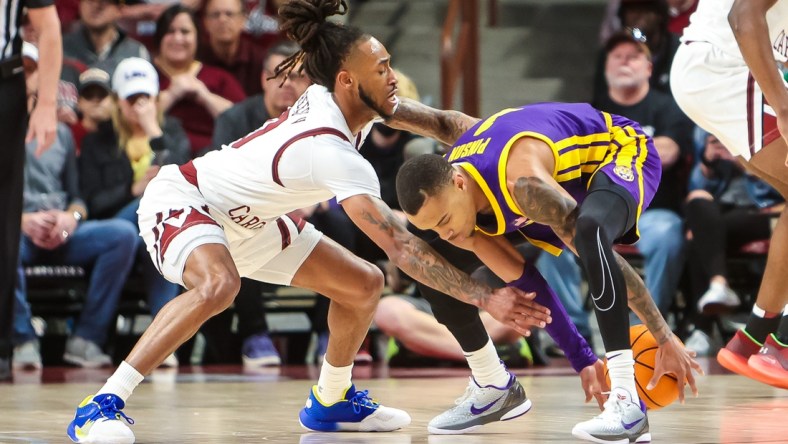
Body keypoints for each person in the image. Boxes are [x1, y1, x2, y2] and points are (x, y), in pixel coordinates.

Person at [65, 2, 550, 443]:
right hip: (188, 198)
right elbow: (404, 248)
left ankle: (331, 399)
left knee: (363, 284)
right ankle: (101, 405)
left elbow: (447, 124)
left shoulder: (353, 99)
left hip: (254, 220)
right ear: (345, 80)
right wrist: (486, 297)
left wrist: (518, 145)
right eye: (382, 70)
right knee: (220, 285)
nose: (392, 77)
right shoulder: (332, 151)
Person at [392, 102, 702, 442]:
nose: (446, 232)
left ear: (460, 183)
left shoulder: (523, 184)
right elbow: (526, 283)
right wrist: (582, 359)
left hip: (619, 151)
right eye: (433, 226)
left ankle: (627, 402)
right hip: (559, 184)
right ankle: (492, 384)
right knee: (436, 262)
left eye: (444, 221)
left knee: (591, 232)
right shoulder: (458, 208)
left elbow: (603, 258)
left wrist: (663, 336)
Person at [670, 0, 788, 388]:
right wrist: (783, 106)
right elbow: (744, 15)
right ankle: (782, 344)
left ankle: (752, 339)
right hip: (724, 67)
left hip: (720, 72)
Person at [14, 50, 138, 369]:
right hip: (17, 235)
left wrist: (72, 217)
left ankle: (86, 339)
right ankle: (22, 339)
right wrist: (21, 220)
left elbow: (77, 196)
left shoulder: (63, 135)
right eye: (24, 74)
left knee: (122, 235)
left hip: (62, 232)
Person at [78, 58, 190, 367]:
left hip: (157, 232)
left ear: (156, 100)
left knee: (163, 232)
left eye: (146, 99)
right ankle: (164, 341)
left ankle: (162, 341)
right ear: (116, 102)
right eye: (131, 99)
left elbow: (186, 181)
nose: (139, 106)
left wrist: (154, 130)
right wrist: (132, 189)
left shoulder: (172, 132)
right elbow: (92, 202)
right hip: (115, 229)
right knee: (155, 217)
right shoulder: (97, 142)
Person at [207, 39, 310, 368]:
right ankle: (255, 334)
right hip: (245, 212)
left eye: (296, 76)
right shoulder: (235, 119)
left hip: (304, 211)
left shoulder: (313, 123)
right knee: (245, 231)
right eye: (278, 75)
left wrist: (312, 201)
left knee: (341, 221)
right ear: (263, 78)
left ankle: (327, 333)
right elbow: (216, 179)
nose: (287, 84)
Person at [595, 30, 695, 318]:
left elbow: (668, 153)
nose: (625, 62)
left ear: (649, 67)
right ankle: (574, 334)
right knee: (554, 241)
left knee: (668, 237)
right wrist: (640, 151)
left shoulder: (668, 108)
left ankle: (644, 327)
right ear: (606, 67)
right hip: (597, 213)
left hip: (653, 213)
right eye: (618, 56)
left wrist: (606, 155)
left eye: (634, 56)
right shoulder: (591, 110)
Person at [0, 0, 61, 381]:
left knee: (4, 224)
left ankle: (2, 343)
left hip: (4, 83)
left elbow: (49, 26)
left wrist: (47, 103)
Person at [683, 132, 783, 356]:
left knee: (698, 239)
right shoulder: (704, 128)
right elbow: (694, 185)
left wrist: (750, 166)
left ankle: (702, 329)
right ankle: (719, 286)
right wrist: (709, 161)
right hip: (722, 209)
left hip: (764, 210)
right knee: (697, 201)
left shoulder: (769, 123)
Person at [153, 4, 246, 157]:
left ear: (198, 37)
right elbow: (129, 121)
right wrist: (171, 94)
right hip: (159, 157)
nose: (178, 38)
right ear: (159, 36)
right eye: (170, 31)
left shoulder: (219, 77)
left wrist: (204, 95)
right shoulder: (147, 75)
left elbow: (243, 121)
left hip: (214, 159)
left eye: (185, 31)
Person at [199, 0, 266, 96]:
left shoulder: (259, 59)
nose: (222, 20)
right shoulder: (196, 57)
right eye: (215, 14)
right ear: (205, 22)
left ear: (243, 20)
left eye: (229, 14)